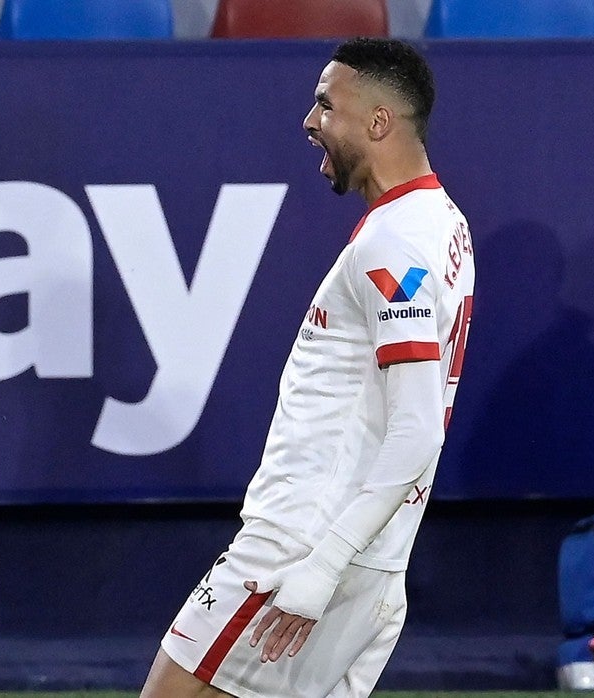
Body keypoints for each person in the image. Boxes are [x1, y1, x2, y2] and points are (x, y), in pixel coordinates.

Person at [140, 38, 475, 698]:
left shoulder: (394, 243)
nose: (309, 120)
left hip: (303, 546)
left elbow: (417, 431)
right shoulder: (443, 223)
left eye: (326, 104)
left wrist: (320, 566)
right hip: (371, 556)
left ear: (378, 122)